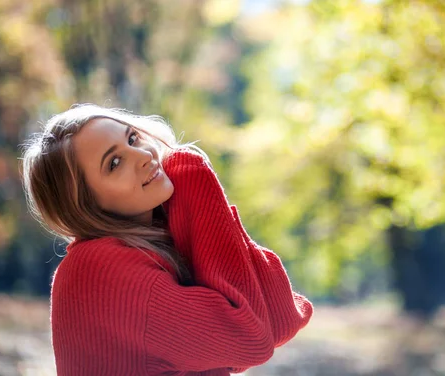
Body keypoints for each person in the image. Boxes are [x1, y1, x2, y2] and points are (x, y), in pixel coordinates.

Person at [20, 103, 314, 376]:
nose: (144, 155)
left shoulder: (152, 244)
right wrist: (194, 175)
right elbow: (252, 338)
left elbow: (282, 318)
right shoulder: (98, 269)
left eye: (133, 138)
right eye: (114, 163)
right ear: (86, 205)